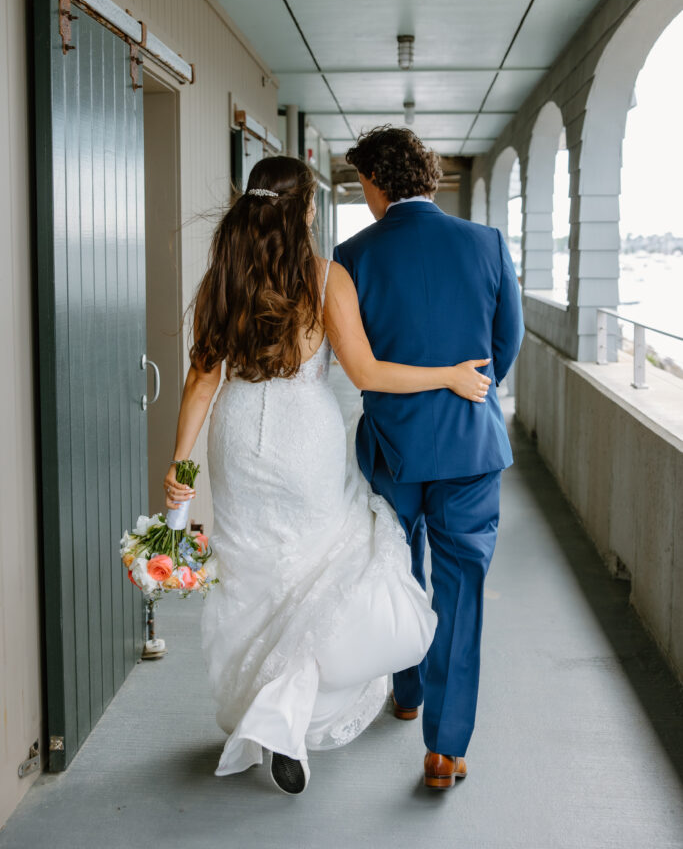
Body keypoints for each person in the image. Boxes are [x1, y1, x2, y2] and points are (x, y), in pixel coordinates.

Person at [162, 155, 493, 795]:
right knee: (328, 566)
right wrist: (449, 375)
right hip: (304, 444)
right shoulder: (323, 277)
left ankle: (267, 715)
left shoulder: (222, 276)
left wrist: (180, 471)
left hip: (238, 441)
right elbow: (367, 373)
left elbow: (203, 379)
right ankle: (290, 710)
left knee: (254, 580)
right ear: (306, 211)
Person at [334, 126, 524, 790]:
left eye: (361, 184)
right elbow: (507, 341)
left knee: (398, 570)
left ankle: (406, 688)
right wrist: (467, 394)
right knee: (461, 588)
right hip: (470, 447)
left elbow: (358, 366)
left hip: (393, 448)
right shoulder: (485, 243)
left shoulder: (351, 254)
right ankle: (445, 748)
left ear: (376, 183)